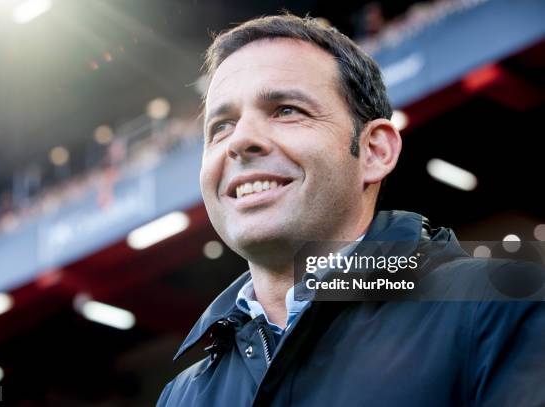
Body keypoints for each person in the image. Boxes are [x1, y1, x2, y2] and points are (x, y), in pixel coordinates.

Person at [157, 14, 545, 407]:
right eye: (221, 126)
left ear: (375, 151)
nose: (239, 141)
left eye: (286, 110)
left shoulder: (501, 310)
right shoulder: (180, 396)